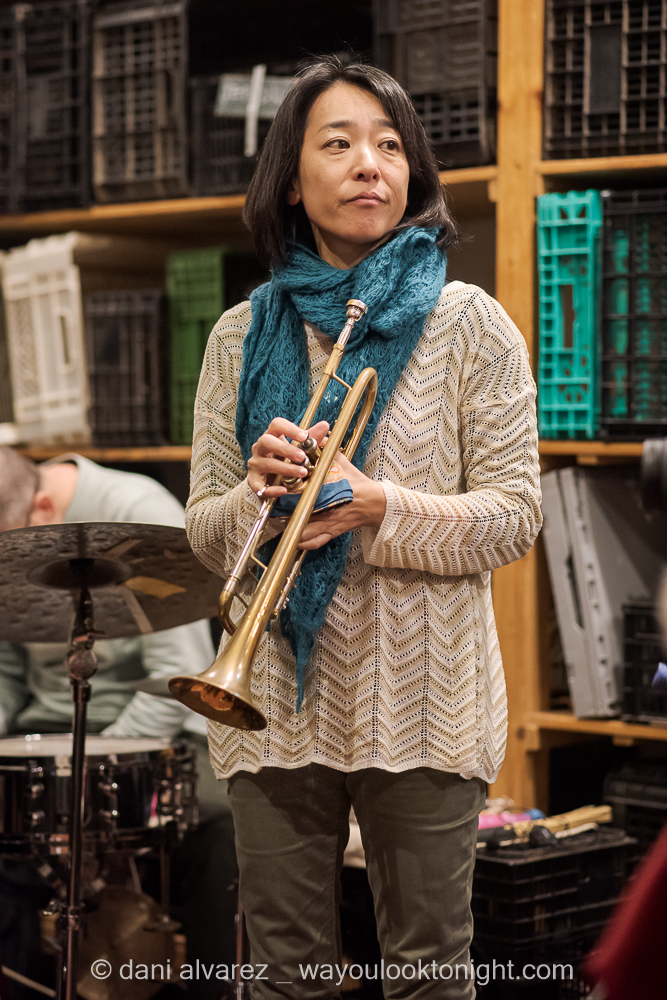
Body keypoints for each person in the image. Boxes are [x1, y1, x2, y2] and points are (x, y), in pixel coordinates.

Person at [185, 55, 542, 1000]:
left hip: (423, 702)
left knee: (427, 974)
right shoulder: (237, 334)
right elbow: (205, 533)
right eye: (337, 144)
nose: (367, 165)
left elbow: (514, 516)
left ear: (412, 172)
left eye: (388, 145)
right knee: (284, 974)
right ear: (290, 179)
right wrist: (253, 497)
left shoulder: (471, 326)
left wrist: (378, 506)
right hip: (267, 703)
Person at [0, 448, 236, 1000]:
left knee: (223, 825)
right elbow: (7, 673)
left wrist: (89, 770)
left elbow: (177, 677)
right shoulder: (16, 517)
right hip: (43, 733)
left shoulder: (136, 511)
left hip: (151, 734)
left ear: (42, 508)